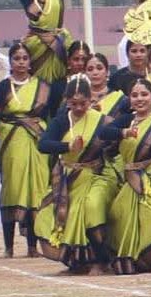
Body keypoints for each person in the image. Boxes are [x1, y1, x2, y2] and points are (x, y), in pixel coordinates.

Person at [35, 76, 119, 274]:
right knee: (48, 215)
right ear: (66, 101)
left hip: (96, 174)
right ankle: (76, 263)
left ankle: (101, 261)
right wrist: (67, 146)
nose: (79, 108)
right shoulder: (62, 120)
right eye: (74, 104)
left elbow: (115, 141)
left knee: (90, 209)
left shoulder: (101, 120)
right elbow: (43, 144)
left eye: (83, 103)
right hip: (69, 177)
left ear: (91, 100)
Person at [101, 79, 151, 273]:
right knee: (119, 213)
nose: (139, 99)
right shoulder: (126, 120)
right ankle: (140, 260)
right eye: (134, 95)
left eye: (144, 94)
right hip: (132, 178)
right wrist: (123, 132)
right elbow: (103, 132)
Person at [0, 43, 55, 258]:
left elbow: (47, 117)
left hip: (36, 143)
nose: (21, 62)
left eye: (24, 58)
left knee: (35, 191)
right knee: (12, 189)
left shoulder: (43, 87)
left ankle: (32, 246)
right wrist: (17, 126)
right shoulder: (2, 88)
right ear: (10, 62)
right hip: (12, 143)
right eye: (16, 58)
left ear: (31, 62)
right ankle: (8, 246)